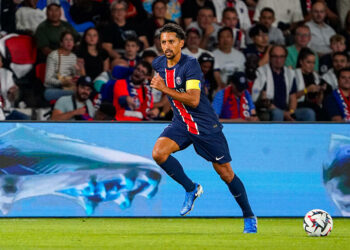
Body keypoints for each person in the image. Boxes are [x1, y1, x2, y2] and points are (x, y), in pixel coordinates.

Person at [151, 23, 257, 232]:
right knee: (159, 153)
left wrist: (164, 88)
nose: (167, 46)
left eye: (171, 41)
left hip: (204, 125)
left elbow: (192, 99)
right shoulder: (158, 63)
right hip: (181, 123)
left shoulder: (191, 65)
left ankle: (249, 216)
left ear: (181, 43)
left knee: (226, 173)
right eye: (163, 42)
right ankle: (191, 188)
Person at [252, 45, 316, 121]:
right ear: (270, 57)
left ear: (285, 58)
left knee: (309, 113)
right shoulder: (262, 72)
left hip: (286, 109)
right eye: (275, 56)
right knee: (277, 113)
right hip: (268, 109)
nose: (278, 60)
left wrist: (291, 112)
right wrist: (284, 114)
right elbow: (264, 100)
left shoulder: (290, 73)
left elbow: (293, 97)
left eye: (281, 57)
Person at [44, 31, 83, 102]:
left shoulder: (73, 57)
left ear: (74, 43)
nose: (69, 42)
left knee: (81, 93)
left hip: (69, 88)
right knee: (77, 94)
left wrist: (78, 71)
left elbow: (75, 78)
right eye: (66, 40)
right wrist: (62, 82)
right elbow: (47, 80)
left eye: (71, 40)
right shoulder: (53, 55)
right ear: (61, 43)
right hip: (54, 89)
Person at [295, 48, 325, 121]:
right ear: (301, 62)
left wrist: (321, 92)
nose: (311, 65)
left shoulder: (316, 76)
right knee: (313, 111)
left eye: (313, 63)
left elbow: (319, 102)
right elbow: (291, 97)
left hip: (313, 105)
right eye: (308, 62)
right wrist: (307, 90)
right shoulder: (293, 74)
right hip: (297, 105)